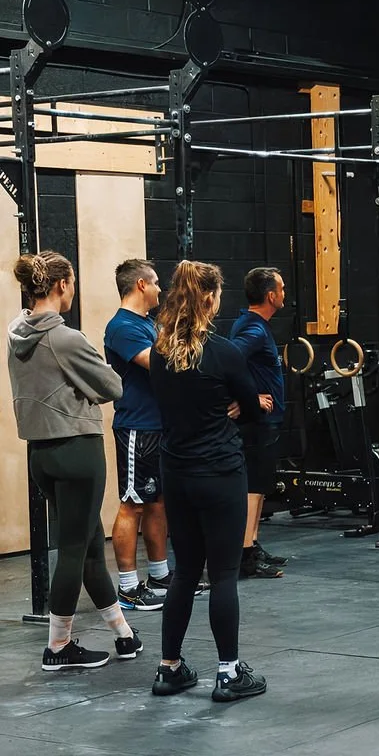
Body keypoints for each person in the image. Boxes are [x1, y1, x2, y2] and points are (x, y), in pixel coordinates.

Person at [6, 251, 142, 671]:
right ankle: (59, 647)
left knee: (85, 548)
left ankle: (123, 634)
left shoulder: (16, 332)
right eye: (74, 282)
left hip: (41, 455)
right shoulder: (66, 338)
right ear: (62, 285)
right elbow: (113, 386)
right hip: (77, 450)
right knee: (72, 551)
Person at [149, 259, 266, 703]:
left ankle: (169, 668)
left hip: (176, 474)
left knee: (184, 574)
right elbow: (254, 410)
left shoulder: (160, 352)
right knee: (222, 576)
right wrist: (238, 405)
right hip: (218, 473)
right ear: (211, 299)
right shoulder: (222, 352)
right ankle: (228, 673)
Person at [104, 258, 171, 610]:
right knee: (133, 503)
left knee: (157, 502)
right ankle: (129, 588)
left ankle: (159, 576)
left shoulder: (148, 323)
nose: (160, 288)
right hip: (137, 427)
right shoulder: (122, 327)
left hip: (157, 425)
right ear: (142, 285)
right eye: (156, 282)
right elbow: (157, 364)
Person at [229, 267, 288, 579]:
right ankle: (245, 555)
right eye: (281, 289)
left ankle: (252, 543)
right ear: (270, 296)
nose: (284, 294)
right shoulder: (252, 330)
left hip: (264, 421)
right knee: (253, 487)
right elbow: (230, 357)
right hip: (257, 422)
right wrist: (251, 398)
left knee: (261, 484)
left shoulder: (253, 324)